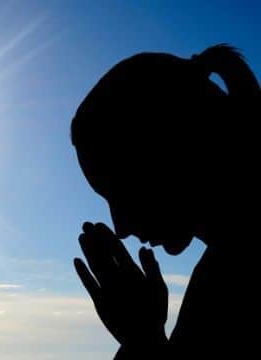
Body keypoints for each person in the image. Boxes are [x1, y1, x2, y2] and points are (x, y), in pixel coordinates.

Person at [71, 44, 259, 358]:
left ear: (173, 154)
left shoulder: (232, 278)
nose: (120, 227)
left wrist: (142, 339)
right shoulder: (221, 272)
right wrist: (144, 337)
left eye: (120, 193)